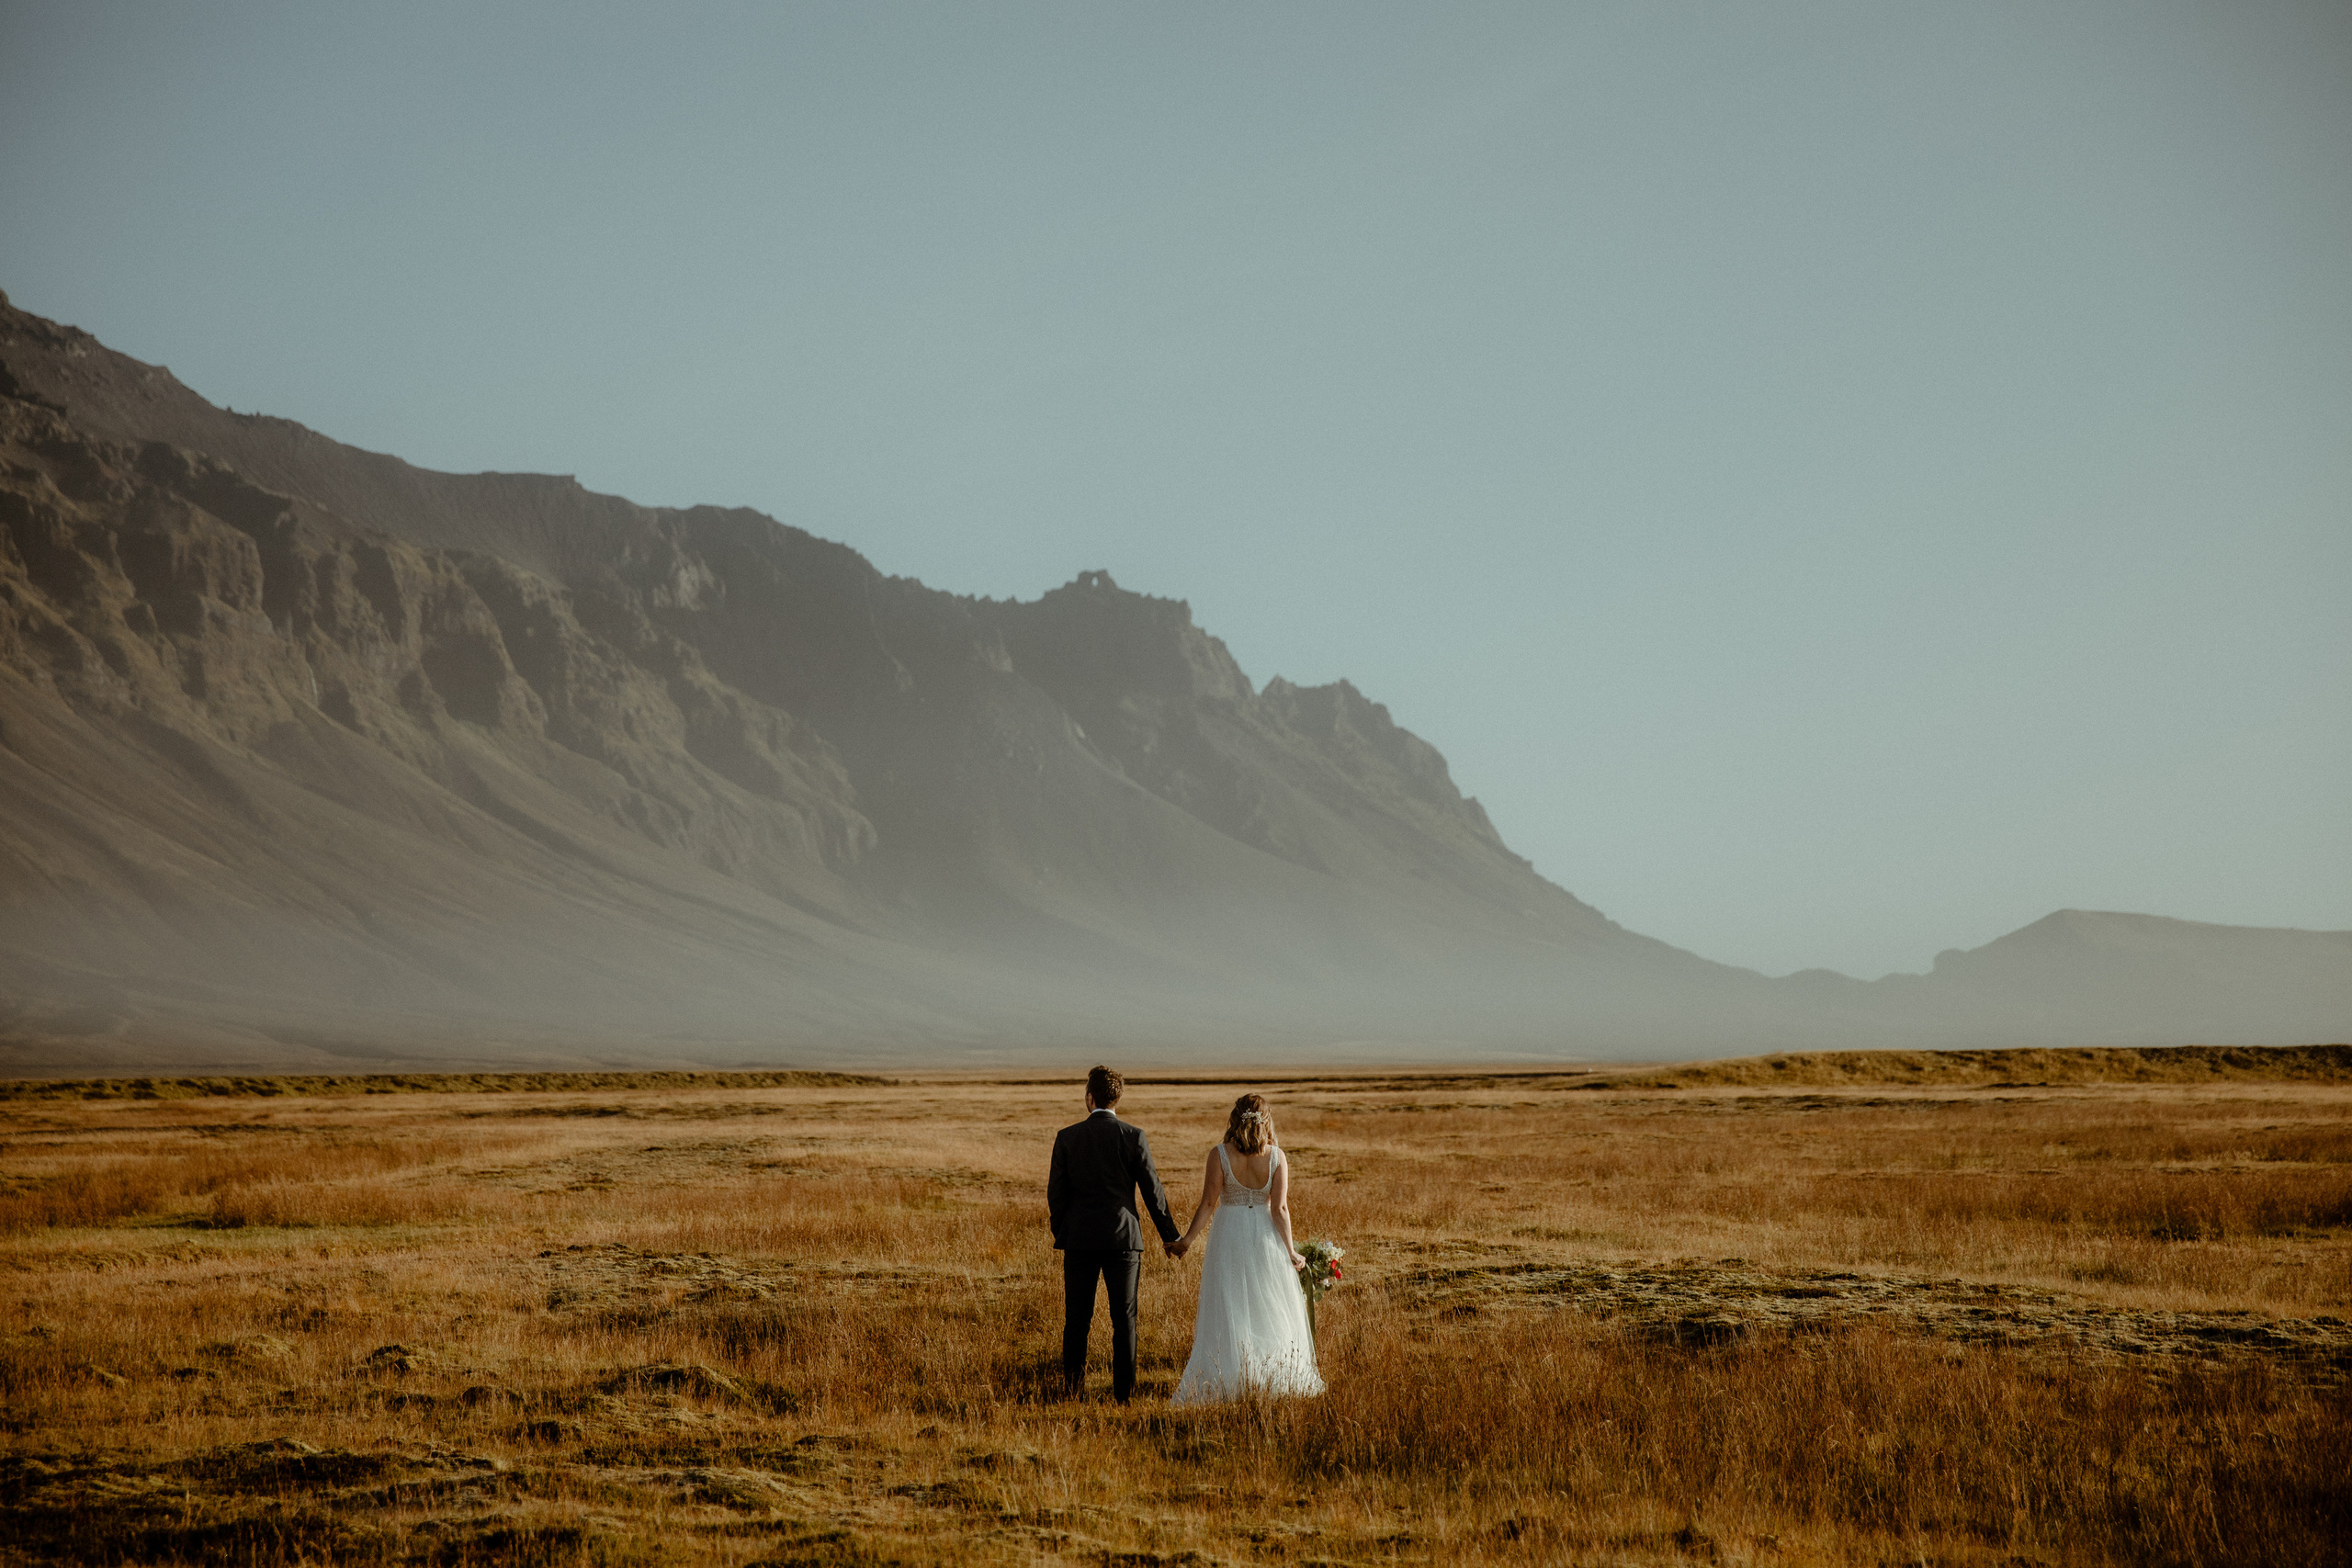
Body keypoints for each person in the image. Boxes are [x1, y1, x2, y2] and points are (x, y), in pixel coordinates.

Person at [1167, 1092, 1324, 1403]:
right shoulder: (1277, 1157)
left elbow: (1208, 1204)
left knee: (1230, 1305)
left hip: (1229, 1236)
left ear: (1234, 1120)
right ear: (1266, 1122)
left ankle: (1231, 1377)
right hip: (1265, 1237)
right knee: (1268, 1305)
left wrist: (1187, 1240)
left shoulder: (1220, 1154)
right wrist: (1291, 1251)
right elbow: (1279, 1209)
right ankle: (1274, 1378)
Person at [1046, 1065, 1182, 1404]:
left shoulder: (1067, 1137)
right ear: (1116, 1098)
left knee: (1077, 1320)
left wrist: (1063, 1230)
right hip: (1123, 1240)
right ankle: (1124, 1396)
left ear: (1090, 1098)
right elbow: (1153, 1192)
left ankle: (1072, 1393)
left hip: (1078, 1240)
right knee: (1125, 1321)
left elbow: (1056, 1194)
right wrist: (1170, 1236)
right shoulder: (1133, 1136)